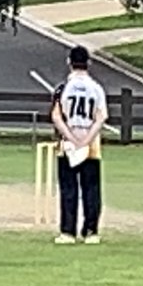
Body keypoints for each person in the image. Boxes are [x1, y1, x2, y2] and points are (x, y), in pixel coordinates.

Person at [49, 45, 108, 244]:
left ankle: (68, 231)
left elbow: (56, 117)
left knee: (68, 187)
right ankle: (91, 231)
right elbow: (101, 117)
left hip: (68, 141)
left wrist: (72, 139)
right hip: (91, 143)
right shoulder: (96, 88)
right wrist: (87, 139)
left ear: (69, 63)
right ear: (88, 63)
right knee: (91, 187)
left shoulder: (63, 88)